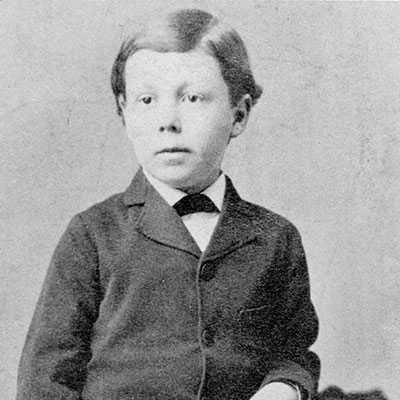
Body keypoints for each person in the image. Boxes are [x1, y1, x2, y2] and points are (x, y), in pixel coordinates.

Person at [17, 8, 320, 400]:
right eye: (146, 99)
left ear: (239, 114)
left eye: (192, 97)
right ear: (123, 113)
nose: (168, 121)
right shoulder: (92, 235)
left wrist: (285, 387)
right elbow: (46, 377)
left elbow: (293, 352)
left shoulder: (275, 238)